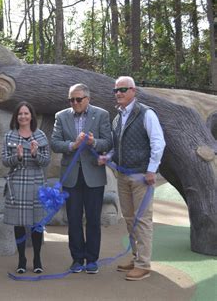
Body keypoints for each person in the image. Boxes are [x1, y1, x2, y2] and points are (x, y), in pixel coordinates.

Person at [99, 76, 165, 281]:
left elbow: (158, 143)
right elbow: (116, 146)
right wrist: (107, 157)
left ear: (133, 91)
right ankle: (136, 258)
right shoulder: (118, 118)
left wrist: (152, 170)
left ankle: (143, 265)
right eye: (116, 90)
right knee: (129, 220)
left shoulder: (146, 114)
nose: (119, 93)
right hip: (123, 176)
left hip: (142, 178)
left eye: (123, 89)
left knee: (142, 220)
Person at [50, 83, 112, 274]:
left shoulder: (101, 114)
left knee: (93, 219)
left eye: (78, 99)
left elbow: (108, 141)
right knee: (74, 219)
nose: (74, 103)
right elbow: (55, 143)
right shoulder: (61, 116)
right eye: (71, 99)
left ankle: (92, 260)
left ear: (88, 98)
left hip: (93, 175)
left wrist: (94, 142)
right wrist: (73, 145)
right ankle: (77, 259)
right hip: (71, 177)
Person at [1, 101, 50, 274]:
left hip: (37, 181)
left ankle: (37, 258)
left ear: (31, 116)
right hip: (17, 182)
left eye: (26, 113)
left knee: (37, 224)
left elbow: (46, 161)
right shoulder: (9, 136)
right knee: (19, 224)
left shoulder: (41, 136)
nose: (23, 116)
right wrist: (18, 156)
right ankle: (21, 259)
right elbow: (5, 161)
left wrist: (36, 154)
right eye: (20, 114)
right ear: (16, 117)